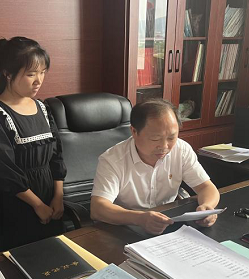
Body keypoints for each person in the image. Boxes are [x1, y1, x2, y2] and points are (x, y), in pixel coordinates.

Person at [0, 37, 67, 251]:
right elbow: (6, 170)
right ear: (7, 73)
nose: (39, 81)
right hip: (17, 204)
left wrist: (58, 197)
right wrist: (38, 205)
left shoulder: (43, 107)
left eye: (43, 72)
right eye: (31, 74)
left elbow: (57, 156)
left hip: (50, 198)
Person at [90, 98, 220, 235]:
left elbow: (206, 187)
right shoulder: (113, 159)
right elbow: (98, 208)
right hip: (125, 227)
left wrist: (208, 207)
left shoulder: (181, 150)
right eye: (155, 139)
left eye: (171, 137)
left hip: (169, 224)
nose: (164, 146)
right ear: (134, 131)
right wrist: (139, 218)